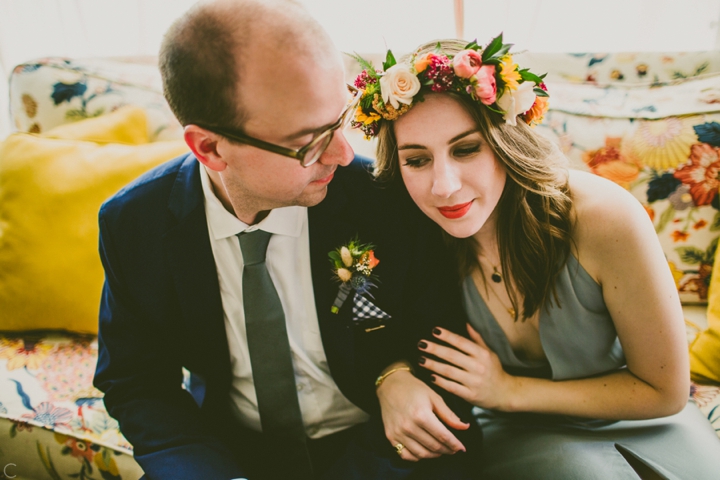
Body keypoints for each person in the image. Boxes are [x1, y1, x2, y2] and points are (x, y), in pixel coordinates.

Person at [93, 1, 480, 479]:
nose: (342, 153)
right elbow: (137, 382)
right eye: (310, 141)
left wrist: (392, 376)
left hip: (382, 448)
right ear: (210, 148)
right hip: (228, 451)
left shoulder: (386, 197)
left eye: (340, 121)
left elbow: (445, 346)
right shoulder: (134, 224)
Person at [352, 36, 720, 479]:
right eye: (417, 160)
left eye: (466, 149)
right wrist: (391, 377)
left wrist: (508, 390)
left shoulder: (604, 218)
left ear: (508, 143)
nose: (443, 186)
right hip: (518, 433)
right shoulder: (411, 231)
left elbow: (665, 391)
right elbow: (360, 325)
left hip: (648, 419)